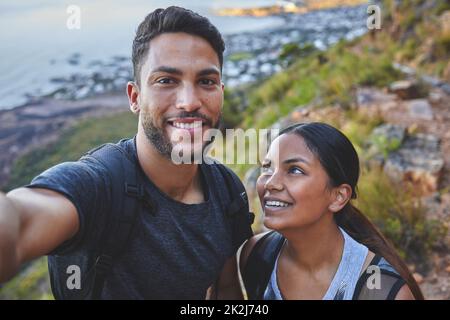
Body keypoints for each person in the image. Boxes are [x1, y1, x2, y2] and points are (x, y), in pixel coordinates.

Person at [0, 6, 253, 299]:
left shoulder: (227, 191)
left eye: (206, 82)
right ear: (135, 97)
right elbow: (20, 224)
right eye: (166, 81)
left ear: (221, 91)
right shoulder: (97, 186)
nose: (189, 101)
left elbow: (227, 291)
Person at [237, 122, 424, 300]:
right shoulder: (257, 254)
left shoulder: (381, 291)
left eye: (295, 170)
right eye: (267, 168)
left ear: (339, 197)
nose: (270, 183)